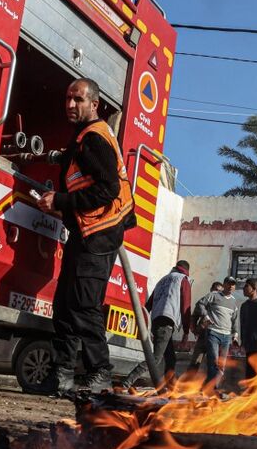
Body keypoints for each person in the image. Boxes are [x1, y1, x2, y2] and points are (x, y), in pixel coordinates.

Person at [37, 78, 134, 395]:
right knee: (65, 305)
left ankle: (99, 373)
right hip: (86, 233)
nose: (70, 104)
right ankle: (61, 374)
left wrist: (61, 201)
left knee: (83, 306)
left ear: (94, 104)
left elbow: (106, 190)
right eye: (67, 98)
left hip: (98, 235)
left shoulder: (94, 139)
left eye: (78, 99)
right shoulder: (83, 139)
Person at [122, 260, 192, 389]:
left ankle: (170, 387)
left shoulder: (163, 279)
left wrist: (145, 321)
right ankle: (127, 382)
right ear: (186, 270)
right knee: (155, 358)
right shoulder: (183, 279)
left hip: (157, 321)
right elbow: (186, 305)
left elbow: (149, 304)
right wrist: (186, 331)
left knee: (170, 358)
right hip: (167, 322)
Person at [201, 276, 241, 390]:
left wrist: (236, 334)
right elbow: (200, 304)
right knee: (213, 361)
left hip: (226, 337)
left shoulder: (233, 302)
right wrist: (206, 316)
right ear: (224, 284)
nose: (230, 286)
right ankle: (211, 389)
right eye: (228, 283)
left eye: (233, 284)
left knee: (221, 365)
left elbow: (234, 319)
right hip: (213, 333)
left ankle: (212, 387)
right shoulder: (214, 296)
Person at [190, 281, 222, 371]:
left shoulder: (221, 304)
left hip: (216, 336)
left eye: (219, 291)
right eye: (215, 290)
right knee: (195, 362)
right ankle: (187, 383)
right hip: (203, 335)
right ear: (211, 290)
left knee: (214, 364)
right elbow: (194, 316)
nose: (217, 293)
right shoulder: (203, 302)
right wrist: (195, 330)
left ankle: (211, 384)